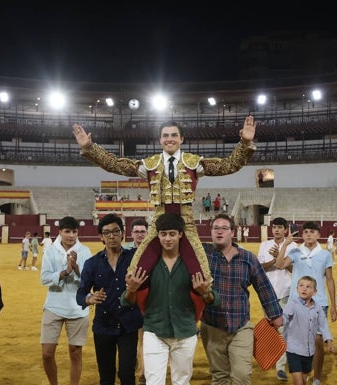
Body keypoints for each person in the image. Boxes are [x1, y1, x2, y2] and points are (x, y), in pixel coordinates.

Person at [72, 116, 257, 286]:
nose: (170, 139)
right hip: (158, 223)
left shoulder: (194, 162)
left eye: (174, 135)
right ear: (160, 140)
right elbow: (117, 165)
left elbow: (228, 165)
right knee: (134, 273)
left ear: (181, 139)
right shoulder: (149, 164)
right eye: (165, 135)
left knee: (203, 276)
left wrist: (245, 143)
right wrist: (90, 148)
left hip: (186, 224)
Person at [124, 213, 214, 385]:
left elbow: (213, 299)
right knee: (154, 382)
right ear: (157, 235)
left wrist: (204, 292)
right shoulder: (147, 265)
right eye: (163, 234)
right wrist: (132, 289)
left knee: (181, 382)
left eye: (172, 234)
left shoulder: (192, 263)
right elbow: (127, 300)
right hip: (154, 331)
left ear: (180, 234)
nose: (167, 239)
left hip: (185, 332)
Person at [200, 213, 283, 385]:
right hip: (212, 325)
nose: (219, 232)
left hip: (241, 326)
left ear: (233, 232)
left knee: (242, 376)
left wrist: (275, 314)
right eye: (216, 228)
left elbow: (264, 286)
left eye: (224, 228)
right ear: (211, 232)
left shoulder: (247, 258)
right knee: (220, 376)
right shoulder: (203, 255)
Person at [76, 213, 142, 385]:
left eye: (115, 231)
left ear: (123, 234)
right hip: (104, 326)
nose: (112, 236)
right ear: (101, 237)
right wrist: (90, 298)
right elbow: (80, 294)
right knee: (106, 377)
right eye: (107, 233)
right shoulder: (92, 263)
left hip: (129, 325)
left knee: (127, 374)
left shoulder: (135, 257)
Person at [275, 221, 337, 385]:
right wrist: (285, 245)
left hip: (319, 302)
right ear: (302, 235)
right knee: (297, 338)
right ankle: (303, 372)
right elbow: (279, 264)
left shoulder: (325, 255)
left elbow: (329, 280)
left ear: (318, 234)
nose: (309, 234)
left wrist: (333, 306)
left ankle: (316, 378)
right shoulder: (295, 252)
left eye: (312, 231)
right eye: (306, 232)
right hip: (296, 302)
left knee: (317, 341)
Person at [40, 216, 92, 385]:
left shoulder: (85, 252)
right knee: (47, 353)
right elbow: (44, 278)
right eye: (67, 231)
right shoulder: (50, 251)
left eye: (74, 232)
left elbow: (90, 281)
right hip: (53, 305)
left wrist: (76, 269)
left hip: (78, 307)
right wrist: (64, 272)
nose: (71, 235)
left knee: (75, 352)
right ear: (60, 232)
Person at [257, 217, 298, 381]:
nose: (276, 230)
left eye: (280, 227)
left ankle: (280, 366)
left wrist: (280, 257)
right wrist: (275, 259)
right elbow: (260, 267)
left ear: (285, 229)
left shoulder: (293, 247)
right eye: (274, 227)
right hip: (268, 293)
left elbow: (295, 269)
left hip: (286, 292)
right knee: (270, 329)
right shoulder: (265, 245)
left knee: (284, 329)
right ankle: (273, 359)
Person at [283, 276, 334, 385]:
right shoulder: (292, 304)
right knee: (299, 382)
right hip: (293, 350)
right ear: (297, 289)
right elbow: (285, 317)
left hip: (309, 352)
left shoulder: (318, 308)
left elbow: (323, 324)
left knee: (302, 381)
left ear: (315, 292)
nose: (304, 289)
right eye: (301, 286)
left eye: (308, 287)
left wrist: (329, 340)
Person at [121, 218, 149, 384]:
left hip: (148, 300)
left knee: (145, 337)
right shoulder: (125, 252)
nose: (139, 235)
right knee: (131, 338)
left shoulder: (154, 251)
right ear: (131, 234)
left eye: (142, 231)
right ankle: (136, 367)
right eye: (136, 232)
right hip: (130, 300)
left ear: (147, 233)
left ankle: (143, 373)